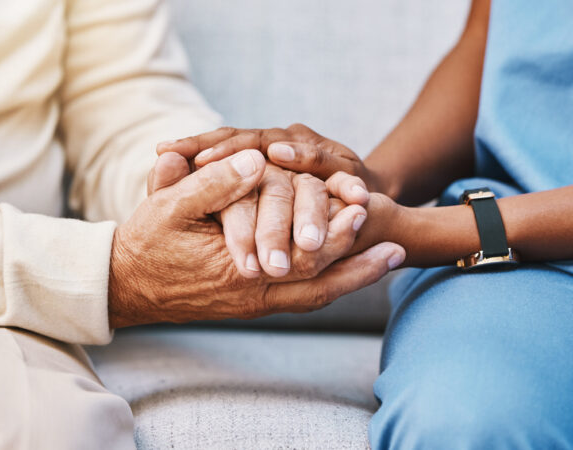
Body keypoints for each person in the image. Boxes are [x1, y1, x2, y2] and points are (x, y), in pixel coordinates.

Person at [0, 1, 404, 448]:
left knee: (48, 431)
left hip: (9, 322)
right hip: (23, 287)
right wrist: (103, 273)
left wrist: (210, 186)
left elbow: (121, 103)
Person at [162, 0, 573, 447]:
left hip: (491, 230)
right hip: (529, 276)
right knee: (465, 421)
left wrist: (428, 232)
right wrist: (370, 181)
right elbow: (491, 41)